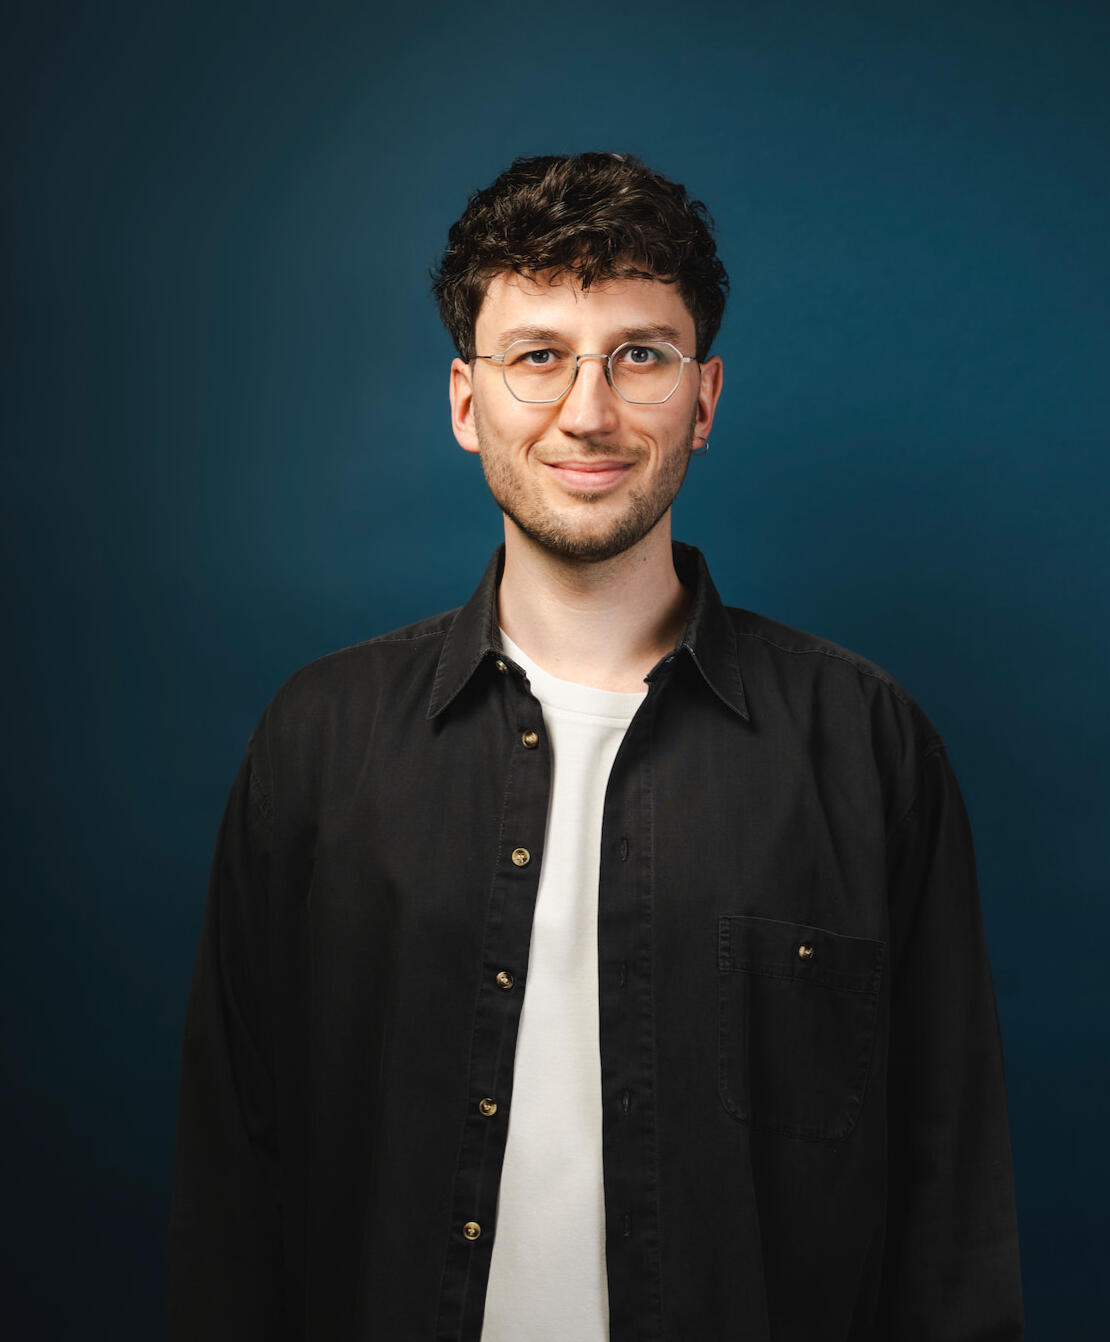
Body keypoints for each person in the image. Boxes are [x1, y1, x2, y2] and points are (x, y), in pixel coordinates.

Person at [166, 152, 1024, 1342]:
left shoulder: (867, 747)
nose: (588, 410)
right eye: (538, 356)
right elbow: (230, 1187)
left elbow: (951, 1214)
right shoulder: (317, 741)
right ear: (467, 402)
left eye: (639, 354)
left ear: (705, 397)